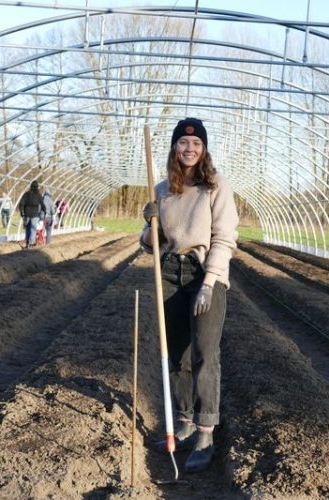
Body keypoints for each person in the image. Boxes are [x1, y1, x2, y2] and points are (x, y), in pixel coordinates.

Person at [140, 117, 239, 473]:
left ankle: (206, 432)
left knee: (204, 355)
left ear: (204, 149)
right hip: (169, 275)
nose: (190, 149)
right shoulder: (163, 189)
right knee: (176, 355)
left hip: (203, 274)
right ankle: (182, 422)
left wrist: (210, 282)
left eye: (196, 144)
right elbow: (151, 243)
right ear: (174, 148)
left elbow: (224, 238)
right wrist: (149, 221)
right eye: (183, 143)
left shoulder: (216, 186)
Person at [17, 180, 46, 248]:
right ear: (37, 187)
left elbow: (21, 204)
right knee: (33, 229)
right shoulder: (38, 195)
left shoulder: (26, 194)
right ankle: (31, 244)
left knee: (27, 228)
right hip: (35, 215)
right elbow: (42, 205)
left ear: (31, 187)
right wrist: (45, 212)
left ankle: (27, 242)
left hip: (27, 214)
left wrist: (22, 212)